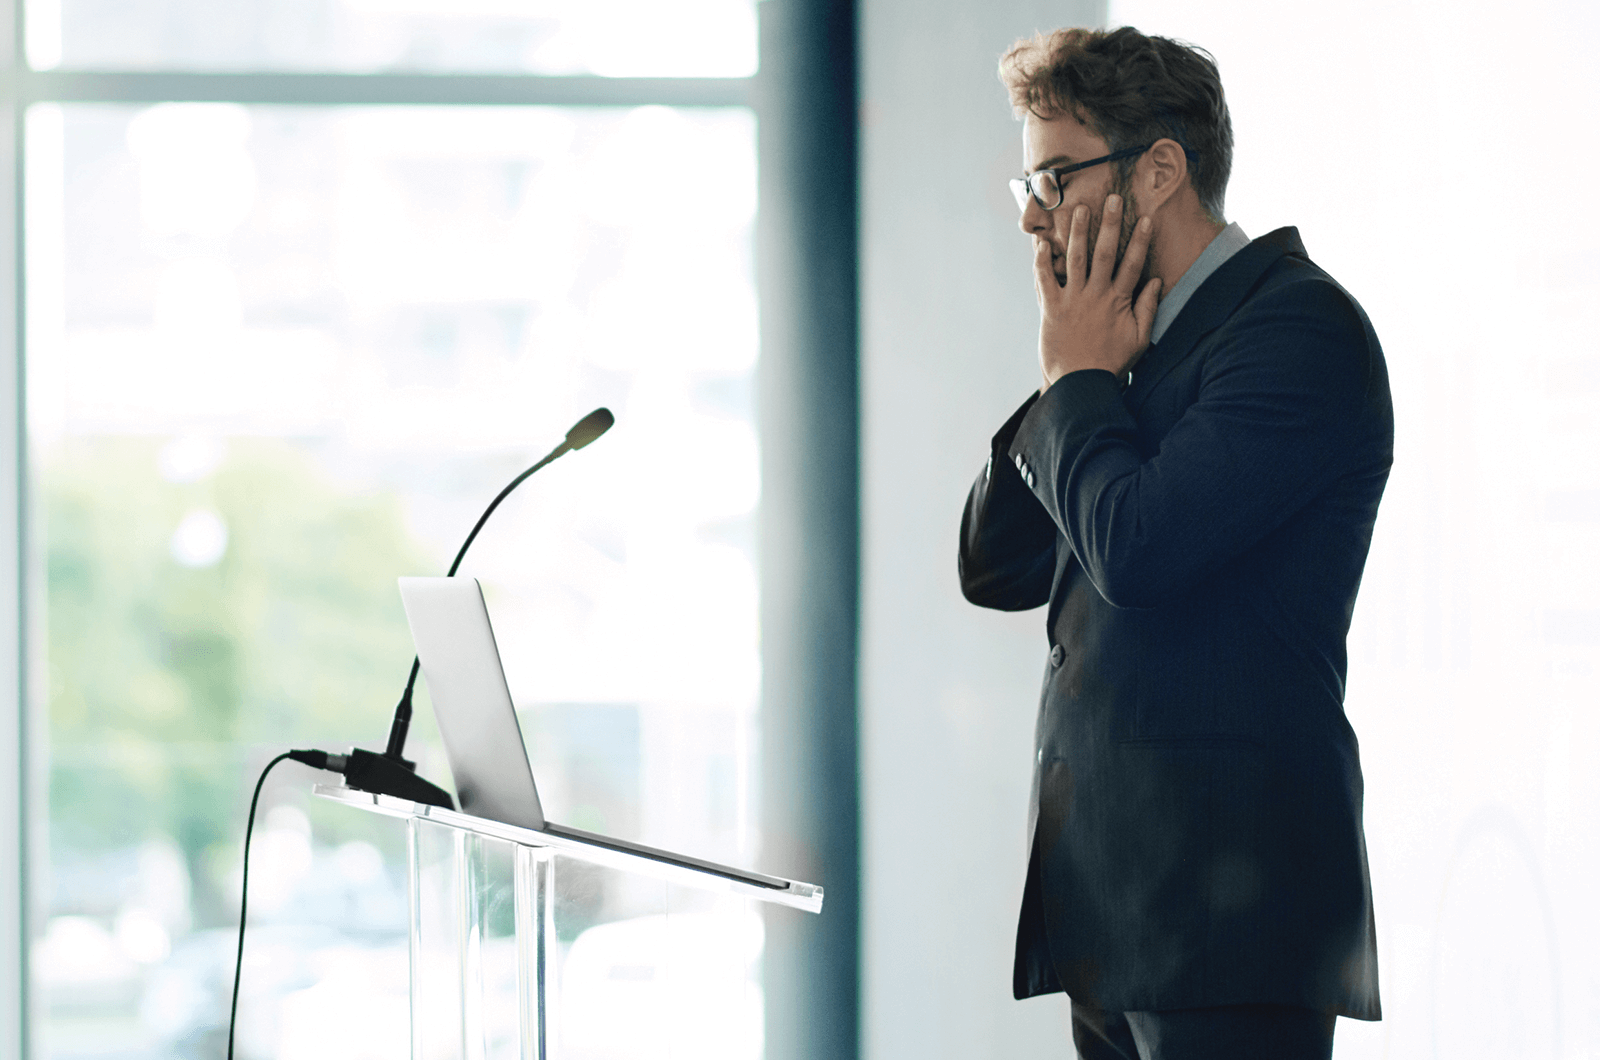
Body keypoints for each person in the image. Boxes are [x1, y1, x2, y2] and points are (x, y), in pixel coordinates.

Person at [958, 26, 1393, 1060]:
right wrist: (1079, 369)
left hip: (1230, 916)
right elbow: (994, 563)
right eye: (1026, 183)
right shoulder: (1126, 342)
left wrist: (1080, 379)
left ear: (1158, 170)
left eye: (1055, 175)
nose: (1032, 213)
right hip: (1111, 912)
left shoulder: (1297, 333)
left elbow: (1135, 550)